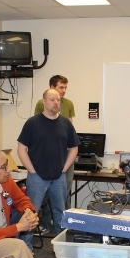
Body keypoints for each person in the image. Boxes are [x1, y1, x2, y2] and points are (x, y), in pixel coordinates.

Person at [17, 88, 79, 250]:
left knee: (60, 212)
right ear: (44, 102)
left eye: (58, 100)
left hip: (58, 177)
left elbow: (74, 148)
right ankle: (25, 248)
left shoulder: (65, 123)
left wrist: (64, 169)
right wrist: (32, 171)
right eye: (52, 100)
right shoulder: (32, 123)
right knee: (31, 212)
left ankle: (62, 247)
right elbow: (21, 148)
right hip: (37, 177)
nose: (56, 103)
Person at [34, 75, 76, 233]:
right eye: (60, 87)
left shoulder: (69, 104)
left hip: (63, 155)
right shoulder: (41, 104)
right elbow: (39, 125)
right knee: (44, 193)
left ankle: (66, 227)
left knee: (65, 191)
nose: (63, 91)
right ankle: (45, 223)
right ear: (52, 87)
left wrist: (64, 167)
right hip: (45, 156)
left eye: (65, 88)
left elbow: (69, 128)